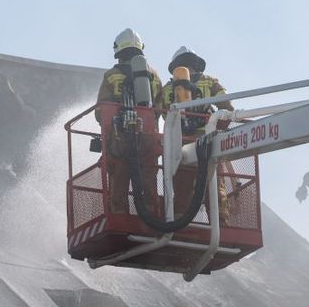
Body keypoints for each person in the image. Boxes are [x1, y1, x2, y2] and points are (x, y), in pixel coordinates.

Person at [162, 46, 234, 222]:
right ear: (197, 64)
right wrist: (221, 121)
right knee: (215, 188)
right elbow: (227, 106)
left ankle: (178, 226)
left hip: (182, 145)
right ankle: (221, 227)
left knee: (182, 188)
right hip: (210, 145)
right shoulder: (210, 82)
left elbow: (162, 112)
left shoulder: (169, 88)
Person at [97, 29, 162, 216]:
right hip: (148, 139)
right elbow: (162, 108)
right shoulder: (154, 76)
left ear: (118, 51)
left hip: (120, 140)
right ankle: (151, 218)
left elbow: (100, 111)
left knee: (119, 183)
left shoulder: (111, 75)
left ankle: (119, 217)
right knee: (148, 182)